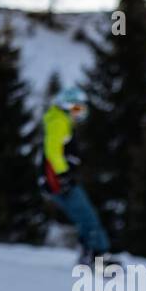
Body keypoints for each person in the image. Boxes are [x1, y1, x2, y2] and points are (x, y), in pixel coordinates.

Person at [40, 86, 110, 264]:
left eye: (82, 110)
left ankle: (89, 255)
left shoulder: (61, 120)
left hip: (63, 180)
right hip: (63, 182)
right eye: (76, 109)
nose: (79, 115)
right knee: (88, 217)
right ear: (66, 106)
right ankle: (97, 257)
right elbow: (53, 151)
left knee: (86, 217)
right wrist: (63, 175)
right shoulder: (59, 122)